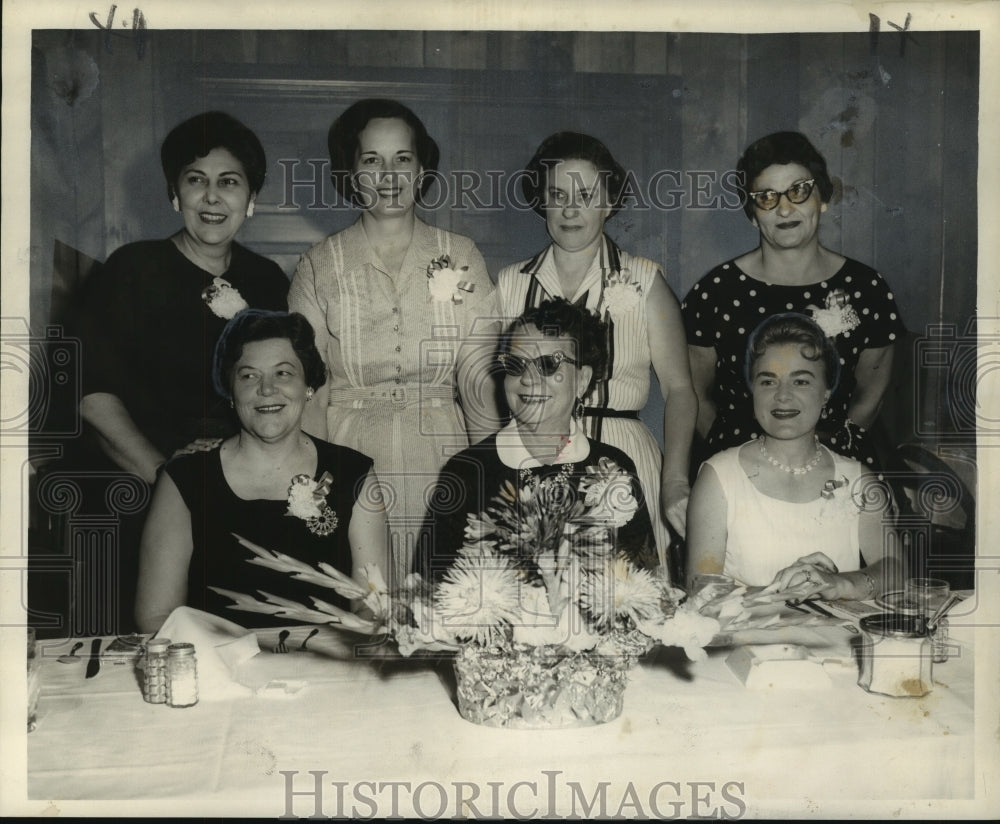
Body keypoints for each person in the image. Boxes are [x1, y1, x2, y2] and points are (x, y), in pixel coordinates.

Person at [288, 99, 500, 584]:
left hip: (444, 455)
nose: (388, 174)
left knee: (445, 598)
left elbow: (479, 381)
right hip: (350, 454)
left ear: (422, 168)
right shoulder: (319, 265)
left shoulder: (461, 254)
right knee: (364, 602)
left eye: (402, 158)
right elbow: (310, 388)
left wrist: (491, 475)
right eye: (371, 160)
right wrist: (318, 481)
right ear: (350, 171)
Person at [496, 132, 696, 579]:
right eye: (557, 195)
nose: (570, 209)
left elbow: (681, 390)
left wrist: (675, 481)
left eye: (586, 195)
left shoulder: (645, 281)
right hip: (534, 455)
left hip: (622, 454)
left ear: (609, 203)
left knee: (628, 596)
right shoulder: (509, 284)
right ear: (541, 202)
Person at [135, 311, 387, 633]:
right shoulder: (184, 481)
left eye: (283, 373)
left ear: (308, 385)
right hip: (218, 671)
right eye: (249, 376)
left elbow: (374, 610)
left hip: (325, 671)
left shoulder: (355, 475)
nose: (266, 389)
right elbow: (155, 617)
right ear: (230, 391)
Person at [77, 111, 290, 483]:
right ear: (175, 193)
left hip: (243, 473)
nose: (211, 197)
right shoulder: (132, 269)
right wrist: (167, 476)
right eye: (196, 180)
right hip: (142, 473)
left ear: (251, 197)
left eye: (229, 182)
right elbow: (92, 393)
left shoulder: (266, 279)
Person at [682, 131, 904, 470]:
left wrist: (822, 461)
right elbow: (694, 392)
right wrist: (739, 457)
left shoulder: (867, 288)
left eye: (799, 191)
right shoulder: (716, 290)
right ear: (753, 213)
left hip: (834, 469)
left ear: (823, 199)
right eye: (767, 197)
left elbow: (870, 396)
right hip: (740, 471)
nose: (785, 208)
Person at [418, 299, 658, 583]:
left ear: (582, 380)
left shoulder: (613, 466)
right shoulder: (467, 470)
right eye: (516, 364)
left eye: (547, 364)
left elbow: (642, 582)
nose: (528, 379)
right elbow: (432, 588)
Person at [686, 313, 901, 599]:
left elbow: (896, 570)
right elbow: (701, 591)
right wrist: (778, 592)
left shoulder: (857, 480)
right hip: (747, 639)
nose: (782, 396)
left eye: (800, 382)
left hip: (839, 640)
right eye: (768, 382)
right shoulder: (719, 477)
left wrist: (840, 584)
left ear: (826, 394)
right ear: (753, 391)